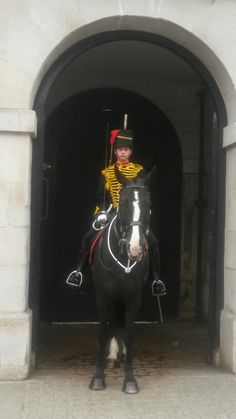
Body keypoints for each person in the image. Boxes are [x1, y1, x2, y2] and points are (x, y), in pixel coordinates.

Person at [66, 129, 166, 295]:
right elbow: (100, 197)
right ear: (115, 151)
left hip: (133, 214)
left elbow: (143, 194)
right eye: (120, 150)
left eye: (126, 150)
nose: (123, 152)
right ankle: (77, 272)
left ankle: (156, 280)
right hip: (113, 212)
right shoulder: (107, 173)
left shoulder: (138, 170)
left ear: (130, 152)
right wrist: (101, 213)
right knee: (88, 237)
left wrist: (143, 212)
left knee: (153, 242)